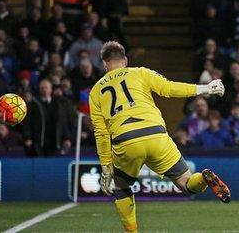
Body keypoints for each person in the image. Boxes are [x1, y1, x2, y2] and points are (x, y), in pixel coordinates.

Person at [89, 41, 231, 232]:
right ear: (125, 60)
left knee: (122, 188)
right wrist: (205, 89)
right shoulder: (140, 72)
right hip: (155, 134)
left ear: (104, 65)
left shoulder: (96, 91)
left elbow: (101, 132)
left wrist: (106, 166)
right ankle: (204, 179)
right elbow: (169, 88)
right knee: (186, 183)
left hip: (125, 141)